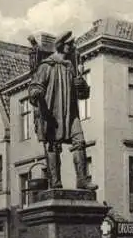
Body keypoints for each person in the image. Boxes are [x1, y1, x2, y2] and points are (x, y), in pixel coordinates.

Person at [28, 30, 97, 190]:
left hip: (71, 114)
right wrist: (36, 93)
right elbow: (35, 86)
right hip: (52, 112)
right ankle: (55, 182)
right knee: (53, 146)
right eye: (68, 44)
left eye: (71, 44)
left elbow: (82, 94)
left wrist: (83, 87)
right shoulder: (47, 66)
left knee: (80, 142)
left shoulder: (70, 66)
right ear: (60, 45)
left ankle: (82, 180)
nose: (70, 47)